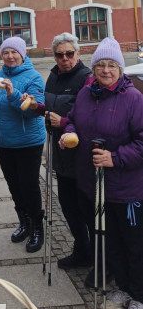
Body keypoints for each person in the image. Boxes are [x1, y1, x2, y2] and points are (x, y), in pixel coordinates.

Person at [60, 37, 143, 309]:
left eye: (112, 65)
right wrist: (68, 133)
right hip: (95, 187)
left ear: (120, 69)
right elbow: (71, 120)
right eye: (100, 65)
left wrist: (115, 158)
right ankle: (122, 287)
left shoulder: (134, 99)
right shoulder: (86, 95)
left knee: (135, 244)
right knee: (110, 243)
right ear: (93, 69)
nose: (106, 70)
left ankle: (140, 296)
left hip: (127, 188)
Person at [0, 36, 45, 252]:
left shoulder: (34, 78)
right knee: (13, 185)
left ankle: (37, 228)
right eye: (6, 52)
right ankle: (24, 222)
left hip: (27, 142)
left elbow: (34, 113)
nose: (10, 56)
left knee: (29, 186)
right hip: (3, 141)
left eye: (14, 52)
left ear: (23, 55)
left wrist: (13, 94)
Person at [44, 33, 92, 268]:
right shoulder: (53, 77)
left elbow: (91, 120)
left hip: (81, 157)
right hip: (61, 155)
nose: (65, 59)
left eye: (69, 54)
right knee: (69, 207)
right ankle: (81, 249)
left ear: (78, 53)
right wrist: (37, 108)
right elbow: (52, 108)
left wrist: (62, 122)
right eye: (59, 54)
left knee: (86, 209)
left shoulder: (87, 78)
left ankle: (98, 257)